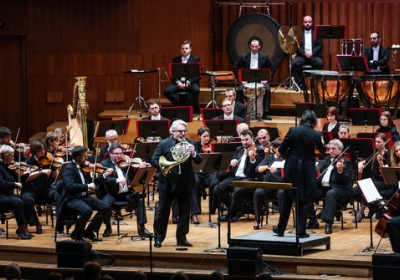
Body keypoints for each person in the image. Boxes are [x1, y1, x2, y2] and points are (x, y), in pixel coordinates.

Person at [151, 119, 202, 248]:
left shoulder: (190, 143)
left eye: (184, 131)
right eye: (180, 131)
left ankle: (181, 238)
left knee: (185, 213)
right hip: (167, 182)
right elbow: (154, 160)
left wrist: (193, 153)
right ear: (172, 132)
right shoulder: (163, 143)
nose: (182, 133)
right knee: (162, 212)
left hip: (185, 182)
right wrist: (163, 168)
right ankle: (158, 238)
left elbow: (199, 161)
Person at [274, 110, 326, 238]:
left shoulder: (293, 130)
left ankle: (281, 229)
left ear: (302, 119)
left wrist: (291, 157)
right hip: (307, 170)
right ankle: (301, 231)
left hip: (292, 168)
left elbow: (281, 150)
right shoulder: (315, 134)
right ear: (314, 121)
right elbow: (323, 151)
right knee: (303, 199)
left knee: (287, 197)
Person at [98, 143, 152, 238]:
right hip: (111, 194)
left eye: (121, 153)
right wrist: (116, 180)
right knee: (105, 204)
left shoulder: (127, 163)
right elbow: (102, 180)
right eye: (116, 153)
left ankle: (142, 228)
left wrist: (139, 166)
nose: (119, 156)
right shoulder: (104, 164)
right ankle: (107, 227)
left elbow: (135, 175)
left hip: (126, 193)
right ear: (110, 153)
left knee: (140, 201)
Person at [59, 146, 111, 242]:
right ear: (78, 158)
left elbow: (93, 183)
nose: (87, 158)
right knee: (87, 211)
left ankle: (89, 231)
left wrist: (104, 175)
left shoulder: (83, 167)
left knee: (106, 207)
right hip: (71, 199)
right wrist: (87, 186)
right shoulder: (69, 169)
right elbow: (71, 186)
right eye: (85, 156)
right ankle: (76, 234)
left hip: (83, 197)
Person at [217, 129, 264, 222]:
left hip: (250, 178)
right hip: (235, 177)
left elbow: (256, 171)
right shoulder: (239, 149)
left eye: (247, 139)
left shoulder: (259, 150)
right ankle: (237, 210)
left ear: (252, 138)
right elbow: (232, 162)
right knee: (218, 188)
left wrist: (252, 159)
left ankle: (230, 214)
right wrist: (231, 162)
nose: (244, 142)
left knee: (238, 190)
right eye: (242, 140)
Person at [312, 139, 353, 234]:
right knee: (308, 192)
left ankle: (328, 223)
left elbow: (346, 180)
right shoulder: (327, 160)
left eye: (333, 149)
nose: (330, 151)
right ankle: (312, 220)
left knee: (331, 194)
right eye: (329, 149)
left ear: (340, 150)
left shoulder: (346, 162)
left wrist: (340, 171)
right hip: (324, 187)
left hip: (340, 188)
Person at [353, 133, 394, 222]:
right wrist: (361, 164)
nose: (377, 144)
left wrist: (380, 162)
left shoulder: (389, 155)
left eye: (379, 142)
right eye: (376, 142)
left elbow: (385, 173)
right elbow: (365, 161)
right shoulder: (375, 153)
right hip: (373, 181)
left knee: (368, 188)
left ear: (385, 142)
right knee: (354, 192)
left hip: (384, 182)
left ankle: (361, 212)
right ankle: (372, 206)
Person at [233, 36, 275, 120]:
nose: (254, 48)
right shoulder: (244, 56)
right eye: (252, 46)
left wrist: (266, 79)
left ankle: (266, 113)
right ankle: (241, 113)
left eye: (256, 46)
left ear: (259, 46)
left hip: (261, 80)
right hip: (247, 80)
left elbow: (273, 67)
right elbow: (235, 67)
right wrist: (241, 79)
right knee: (240, 90)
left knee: (267, 89)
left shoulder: (265, 56)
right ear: (250, 46)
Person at [24, 138, 59, 234]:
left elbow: (56, 175)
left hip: (46, 188)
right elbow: (27, 178)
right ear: (35, 150)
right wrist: (40, 172)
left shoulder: (48, 160)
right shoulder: (28, 161)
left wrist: (56, 173)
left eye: (44, 149)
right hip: (32, 189)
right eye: (41, 150)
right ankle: (36, 223)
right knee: (27, 199)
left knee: (59, 196)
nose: (43, 151)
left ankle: (61, 223)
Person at [0, 145, 35, 239]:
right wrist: (14, 184)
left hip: (9, 195)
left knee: (29, 200)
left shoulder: (9, 167)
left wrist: (29, 173)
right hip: (1, 196)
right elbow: (1, 183)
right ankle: (21, 227)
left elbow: (18, 180)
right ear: (4, 156)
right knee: (17, 201)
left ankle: (24, 227)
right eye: (11, 155)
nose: (13, 158)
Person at [163, 40, 201, 114]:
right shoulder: (175, 59)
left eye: (186, 48)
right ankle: (180, 106)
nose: (184, 50)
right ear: (180, 49)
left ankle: (188, 107)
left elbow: (197, 75)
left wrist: (188, 82)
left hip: (190, 83)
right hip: (179, 82)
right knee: (166, 91)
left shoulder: (196, 59)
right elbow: (172, 74)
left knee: (196, 90)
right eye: (182, 48)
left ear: (190, 49)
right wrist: (178, 82)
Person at [253, 140, 284, 230]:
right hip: (269, 186)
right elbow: (257, 169)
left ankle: (282, 222)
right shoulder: (269, 158)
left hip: (281, 186)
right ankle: (257, 219)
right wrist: (267, 167)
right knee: (258, 192)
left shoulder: (287, 158)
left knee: (282, 194)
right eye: (279, 149)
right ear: (274, 149)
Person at [292, 15, 324, 88]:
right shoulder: (298, 33)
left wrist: (312, 52)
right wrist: (304, 53)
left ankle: (314, 83)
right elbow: (296, 46)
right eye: (305, 22)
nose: (307, 23)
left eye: (309, 22)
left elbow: (320, 45)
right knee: (294, 64)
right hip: (302, 56)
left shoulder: (317, 33)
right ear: (303, 23)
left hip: (313, 56)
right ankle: (301, 83)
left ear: (312, 23)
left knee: (320, 63)